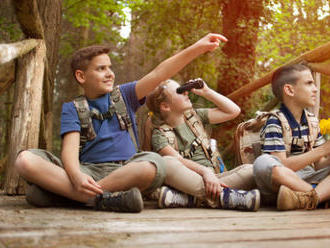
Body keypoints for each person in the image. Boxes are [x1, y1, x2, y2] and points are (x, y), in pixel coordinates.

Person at [14, 33, 228, 213]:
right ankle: (101, 199)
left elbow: (159, 73)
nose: (110, 73)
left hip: (126, 171)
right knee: (25, 160)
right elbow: (69, 152)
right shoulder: (72, 108)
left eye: (110, 67)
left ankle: (72, 197)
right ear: (81, 76)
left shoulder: (125, 95)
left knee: (153, 164)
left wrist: (198, 48)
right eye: (101, 69)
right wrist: (77, 176)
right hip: (87, 172)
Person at [145, 79, 260, 211]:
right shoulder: (159, 135)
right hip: (189, 182)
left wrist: (206, 92)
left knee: (252, 169)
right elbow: (178, 160)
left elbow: (233, 111)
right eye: (179, 91)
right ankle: (225, 197)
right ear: (166, 106)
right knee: (166, 163)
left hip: (217, 179)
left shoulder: (196, 117)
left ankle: (190, 199)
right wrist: (205, 172)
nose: (186, 92)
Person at [253, 63, 330, 210]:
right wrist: (323, 150)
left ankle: (307, 198)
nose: (315, 89)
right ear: (289, 90)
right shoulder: (275, 121)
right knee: (262, 162)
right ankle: (318, 196)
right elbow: (283, 166)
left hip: (310, 178)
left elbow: (320, 164)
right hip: (283, 183)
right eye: (309, 83)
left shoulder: (312, 121)